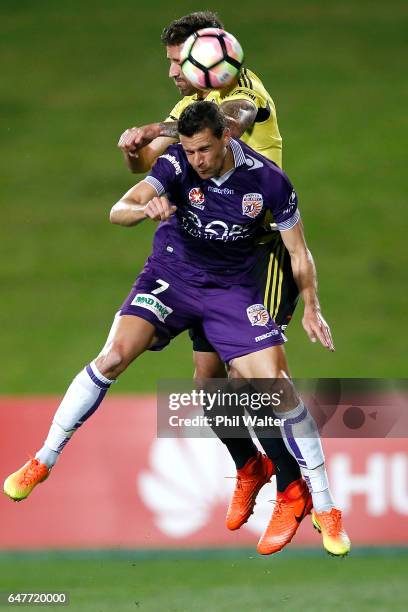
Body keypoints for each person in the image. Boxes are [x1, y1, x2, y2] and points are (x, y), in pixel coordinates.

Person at [4, 102, 350, 557]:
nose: (197, 161)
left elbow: (299, 252)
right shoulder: (175, 165)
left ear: (227, 139)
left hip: (232, 291)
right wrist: (145, 209)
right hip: (172, 278)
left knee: (274, 387)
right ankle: (42, 460)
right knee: (113, 357)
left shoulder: (268, 181)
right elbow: (118, 209)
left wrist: (312, 306)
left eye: (205, 150)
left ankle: (324, 508)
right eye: (189, 151)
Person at [118, 11, 305, 547]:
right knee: (207, 385)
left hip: (261, 250)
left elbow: (236, 119)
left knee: (259, 381)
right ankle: (250, 465)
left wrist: (159, 128)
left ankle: (296, 489)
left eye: (181, 63)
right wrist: (138, 153)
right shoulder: (188, 109)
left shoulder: (248, 91)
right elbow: (155, 165)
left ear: (213, 58)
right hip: (213, 257)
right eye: (173, 64)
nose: (176, 73)